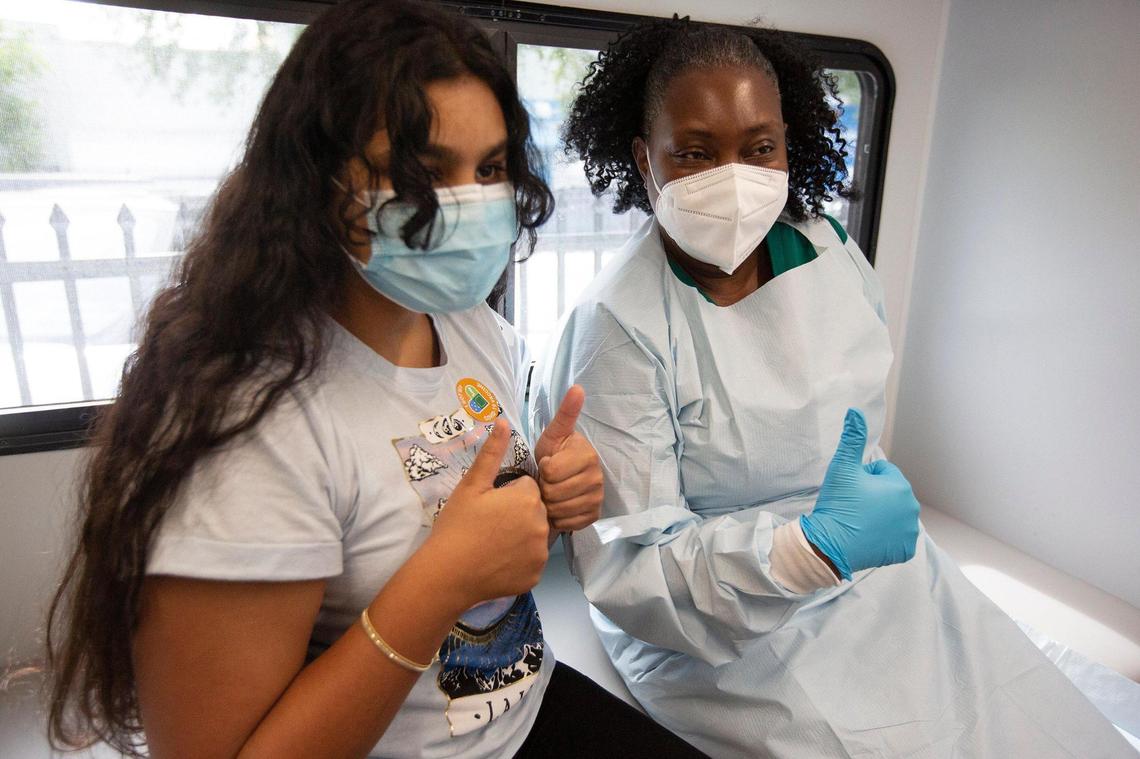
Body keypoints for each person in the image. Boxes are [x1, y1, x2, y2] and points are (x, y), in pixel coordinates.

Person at [43, 2, 708, 757]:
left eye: (490, 169)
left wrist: (549, 496)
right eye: (425, 172)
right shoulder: (249, 429)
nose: (472, 203)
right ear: (319, 181)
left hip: (522, 714)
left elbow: (448, 500)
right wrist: (441, 581)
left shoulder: (467, 324)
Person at [532, 15, 1135, 759]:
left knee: (1037, 716)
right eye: (694, 152)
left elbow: (860, 428)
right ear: (643, 159)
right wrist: (803, 550)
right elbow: (632, 567)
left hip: (874, 566)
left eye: (758, 148)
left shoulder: (830, 250)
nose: (733, 178)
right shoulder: (617, 324)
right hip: (715, 626)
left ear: (789, 143)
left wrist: (850, 529)